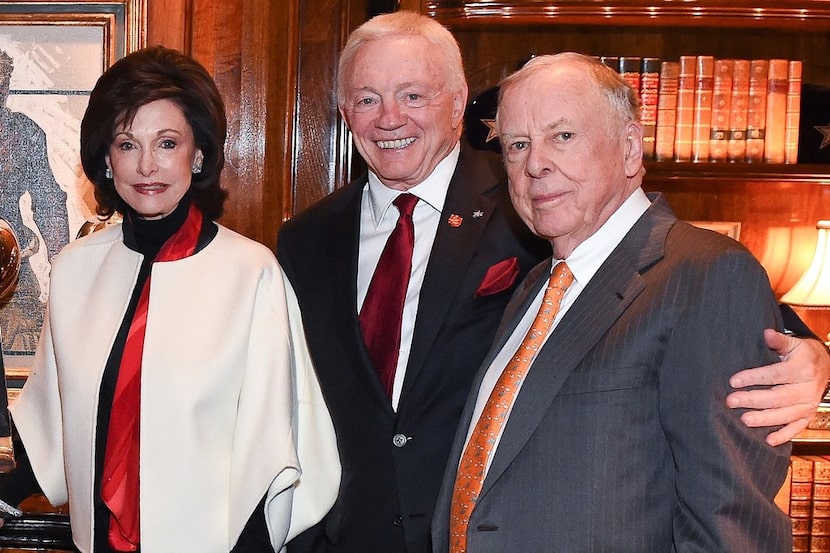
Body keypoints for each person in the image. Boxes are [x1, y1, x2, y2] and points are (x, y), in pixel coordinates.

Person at [277, 11, 830, 553]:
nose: (390, 118)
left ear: (457, 102)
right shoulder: (306, 240)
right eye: (368, 98)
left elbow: (685, 286)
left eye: (413, 95)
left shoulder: (539, 202)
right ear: (346, 113)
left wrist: (813, 357)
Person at [432, 52, 792, 552]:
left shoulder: (706, 274)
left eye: (563, 136)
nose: (535, 163)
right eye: (517, 145)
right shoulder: (537, 285)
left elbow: (731, 523)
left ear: (629, 149)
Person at [1, 46, 339, 553]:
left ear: (197, 153)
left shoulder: (251, 273)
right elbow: (50, 423)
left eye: (166, 142)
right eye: (126, 144)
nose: (146, 166)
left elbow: (274, 449)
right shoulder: (73, 270)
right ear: (106, 160)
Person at [0, 49, 70, 354]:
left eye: (1, 82)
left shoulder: (23, 131)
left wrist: (65, 264)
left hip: (12, 256)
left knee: (24, 327)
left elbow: (49, 199)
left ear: (7, 86)